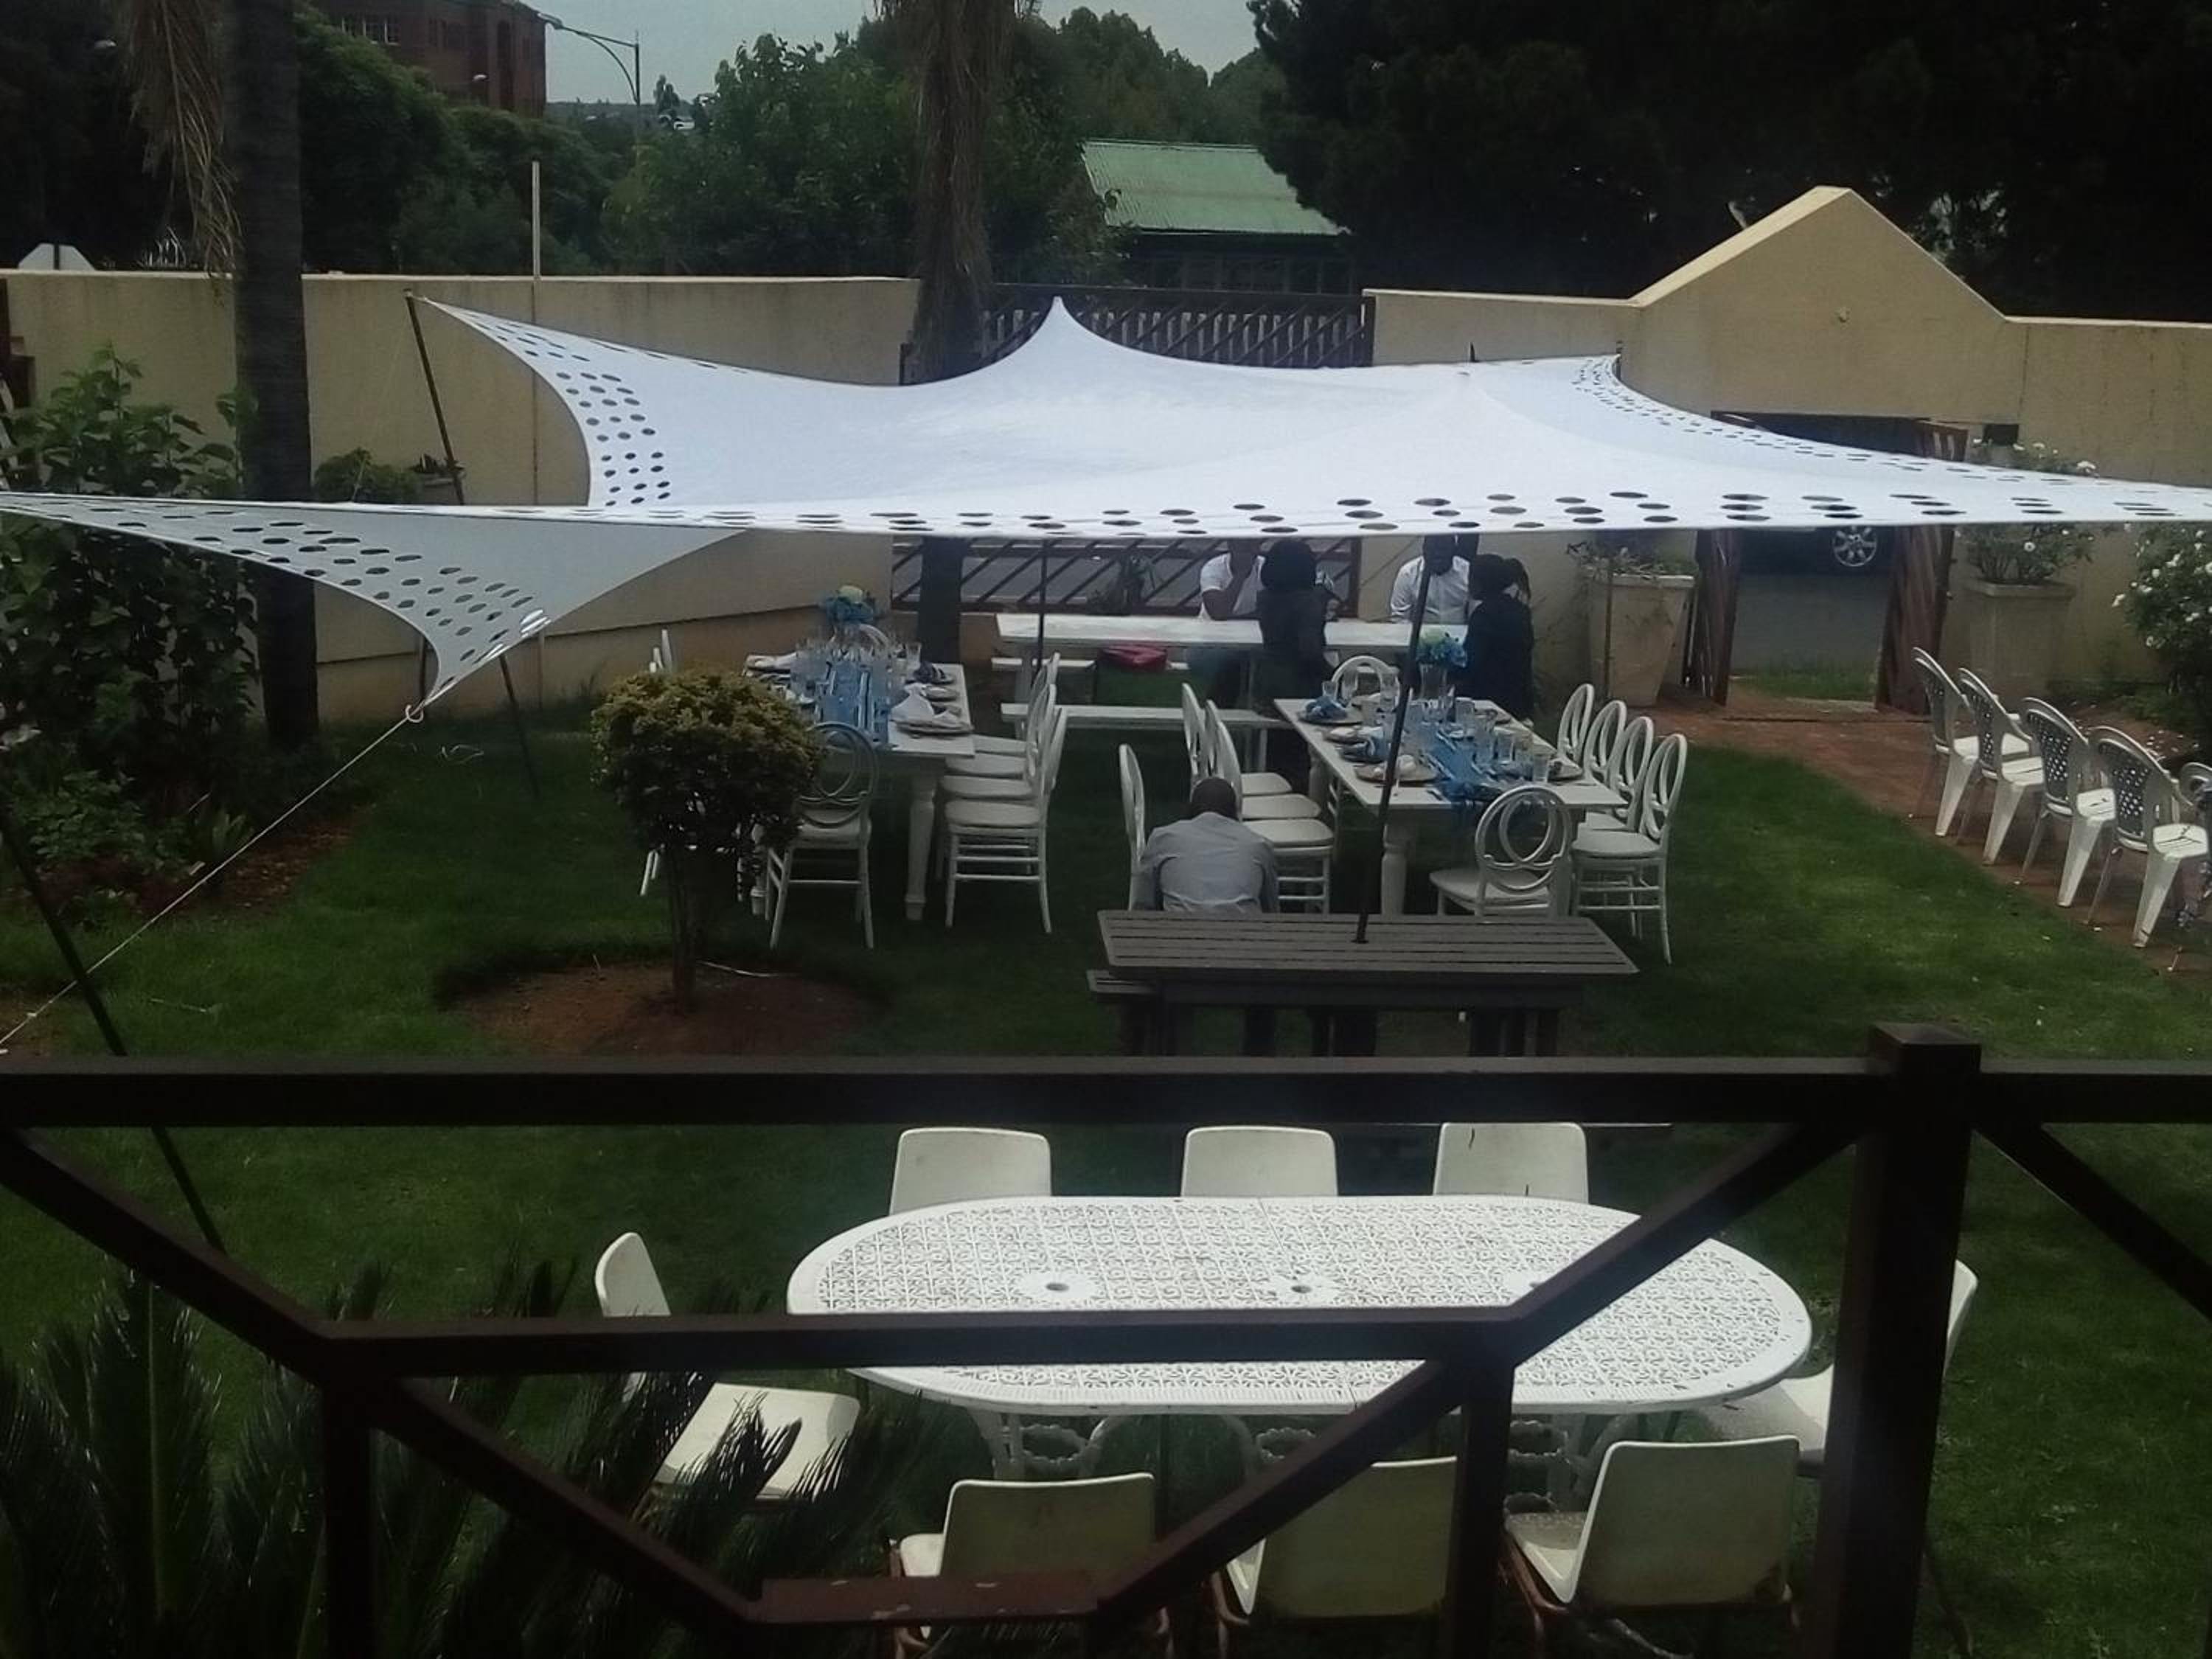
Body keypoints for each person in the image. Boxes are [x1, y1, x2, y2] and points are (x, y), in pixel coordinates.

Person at [1134, 777, 1279, 917]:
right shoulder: (1259, 845)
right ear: (1234, 811)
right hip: (1241, 929)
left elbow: (1144, 902)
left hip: (1180, 928)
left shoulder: (1163, 838)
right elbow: (1271, 910)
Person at [1459, 552, 1536, 719]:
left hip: (1490, 699)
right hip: (1520, 699)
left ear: (1480, 583)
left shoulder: (1483, 615)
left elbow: (1471, 661)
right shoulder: (1521, 610)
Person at [1189, 541, 1262, 707]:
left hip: (1252, 644)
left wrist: (1234, 618)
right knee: (1232, 664)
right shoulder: (1214, 568)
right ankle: (1216, 710)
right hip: (1208, 644)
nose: (1249, 553)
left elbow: (1270, 611)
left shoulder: (1265, 568)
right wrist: (1240, 575)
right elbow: (1219, 612)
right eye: (1244, 547)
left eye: (1253, 546)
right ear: (1231, 547)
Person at [1388, 534, 1475, 624]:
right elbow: (1399, 618)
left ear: (1454, 550)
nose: (1437, 554)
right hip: (1418, 631)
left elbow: (1475, 614)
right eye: (1432, 550)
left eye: (1443, 550)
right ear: (1424, 549)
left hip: (1461, 631)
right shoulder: (1408, 573)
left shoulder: (1468, 571)